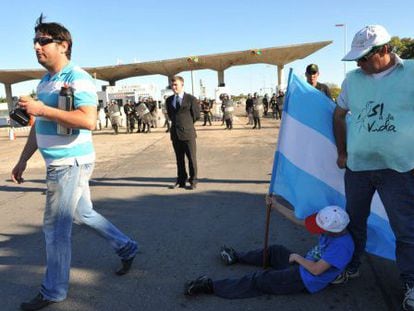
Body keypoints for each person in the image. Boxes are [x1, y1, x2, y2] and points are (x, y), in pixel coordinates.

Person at [11, 15, 138, 311]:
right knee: (84, 214)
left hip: (69, 163)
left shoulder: (77, 77)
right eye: (35, 41)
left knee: (55, 230)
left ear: (63, 45)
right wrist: (22, 160)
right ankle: (127, 246)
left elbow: (88, 120)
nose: (37, 47)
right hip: (59, 162)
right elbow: (38, 126)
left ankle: (53, 291)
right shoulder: (44, 83)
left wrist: (42, 108)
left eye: (44, 41)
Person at [333, 25, 414, 311]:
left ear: (384, 50)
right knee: (353, 222)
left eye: (363, 58)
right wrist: (342, 151)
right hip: (359, 168)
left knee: (405, 228)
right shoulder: (352, 80)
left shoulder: (412, 73)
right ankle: (351, 265)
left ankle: (411, 282)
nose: (358, 64)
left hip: (399, 169)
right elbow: (339, 114)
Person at [184, 198, 354, 299]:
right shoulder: (334, 230)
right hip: (303, 266)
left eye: (320, 229)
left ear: (333, 230)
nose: (317, 230)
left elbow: (317, 270)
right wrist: (276, 205)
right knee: (275, 251)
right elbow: (301, 222)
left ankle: (210, 286)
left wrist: (297, 258)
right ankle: (236, 257)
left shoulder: (342, 247)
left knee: (260, 280)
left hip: (305, 279)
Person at [166, 75, 200, 190]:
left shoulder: (191, 99)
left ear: (182, 84)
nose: (173, 87)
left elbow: (196, 116)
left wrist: (187, 125)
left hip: (188, 134)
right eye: (172, 85)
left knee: (191, 158)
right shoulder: (169, 100)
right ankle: (181, 180)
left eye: (175, 84)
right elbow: (171, 116)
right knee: (179, 159)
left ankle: (193, 180)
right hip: (175, 134)